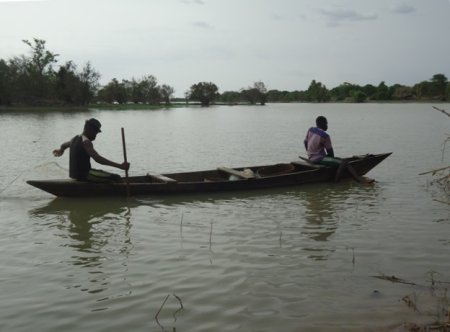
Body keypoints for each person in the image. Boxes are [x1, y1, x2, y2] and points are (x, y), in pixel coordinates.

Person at [53, 118, 130, 182]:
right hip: (86, 175)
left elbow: (63, 145)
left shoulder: (74, 139)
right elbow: (97, 158)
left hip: (74, 175)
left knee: (101, 173)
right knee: (116, 178)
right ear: (90, 129)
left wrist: (60, 150)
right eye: (95, 133)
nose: (95, 136)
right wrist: (120, 166)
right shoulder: (86, 142)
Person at [304, 116, 371, 183]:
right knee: (344, 162)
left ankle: (356, 180)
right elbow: (331, 154)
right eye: (326, 124)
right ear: (322, 124)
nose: (327, 126)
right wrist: (330, 160)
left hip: (310, 157)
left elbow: (305, 142)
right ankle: (338, 181)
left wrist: (309, 154)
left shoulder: (311, 129)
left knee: (338, 160)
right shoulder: (325, 136)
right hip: (319, 159)